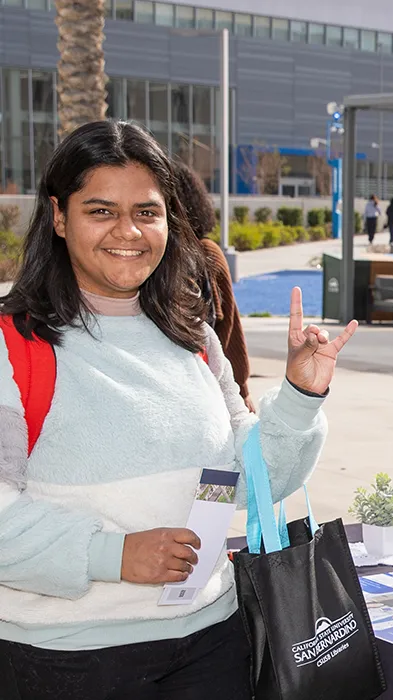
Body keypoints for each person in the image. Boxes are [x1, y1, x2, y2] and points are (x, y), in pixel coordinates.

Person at [0, 120, 358, 699]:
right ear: (59, 217)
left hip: (211, 641)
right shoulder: (14, 344)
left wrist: (299, 396)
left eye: (147, 212)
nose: (128, 231)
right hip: (69, 658)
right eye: (100, 211)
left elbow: (244, 483)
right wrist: (112, 555)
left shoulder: (191, 336)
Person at [171, 158, 253, 410]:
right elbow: (229, 322)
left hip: (206, 384)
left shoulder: (205, 252)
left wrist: (240, 388)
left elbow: (227, 322)